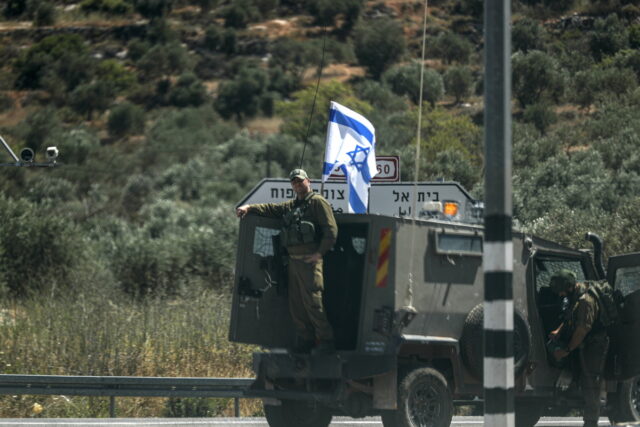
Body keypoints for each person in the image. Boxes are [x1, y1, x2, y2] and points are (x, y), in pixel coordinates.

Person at [236, 169, 338, 354]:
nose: (298, 185)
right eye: (294, 182)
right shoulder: (292, 206)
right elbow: (271, 209)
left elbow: (331, 231)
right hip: (293, 262)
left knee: (313, 302)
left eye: (300, 181)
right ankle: (306, 339)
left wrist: (318, 254)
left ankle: (325, 341)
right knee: (296, 305)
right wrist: (249, 208)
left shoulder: (317, 202)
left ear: (308, 182)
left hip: (309, 263)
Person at [548, 270, 609, 427]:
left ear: (569, 286)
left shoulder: (585, 300)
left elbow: (581, 330)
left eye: (561, 290)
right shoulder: (575, 297)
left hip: (594, 346)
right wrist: (559, 331)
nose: (560, 295)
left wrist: (566, 350)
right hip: (583, 344)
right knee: (582, 379)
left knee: (591, 383)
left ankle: (590, 422)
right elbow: (570, 316)